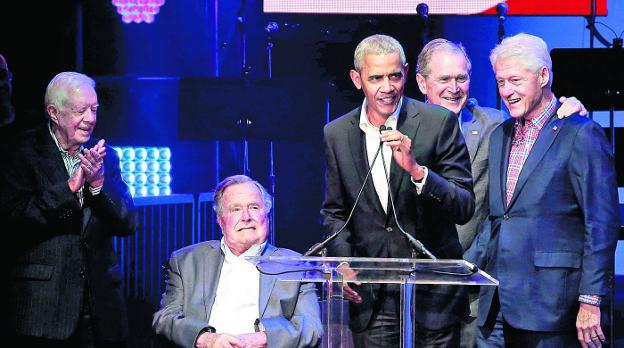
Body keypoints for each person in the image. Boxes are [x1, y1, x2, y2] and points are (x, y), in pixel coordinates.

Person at [414, 38, 588, 348]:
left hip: (476, 287)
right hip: (421, 284)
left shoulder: (496, 124)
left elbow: (542, 120)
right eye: (444, 79)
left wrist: (569, 106)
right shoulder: (402, 133)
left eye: (461, 77)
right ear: (422, 83)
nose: (454, 87)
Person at [321, 34, 475, 347]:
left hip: (433, 297)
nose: (387, 87)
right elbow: (336, 212)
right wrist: (344, 264)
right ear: (357, 79)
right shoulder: (337, 133)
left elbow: (464, 206)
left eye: (394, 75)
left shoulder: (438, 123)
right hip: (373, 295)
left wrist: (418, 172)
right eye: (375, 77)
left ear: (405, 72)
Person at [475, 33, 619, 347]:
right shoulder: (500, 135)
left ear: (543, 76)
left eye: (515, 80)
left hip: (552, 306)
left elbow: (602, 223)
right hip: (498, 304)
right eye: (501, 82)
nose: (507, 92)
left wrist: (590, 299)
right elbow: (499, 218)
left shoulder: (581, 134)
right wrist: (463, 271)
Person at [0, 71, 138, 347]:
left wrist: (98, 186)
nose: (90, 119)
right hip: (42, 313)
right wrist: (70, 188)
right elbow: (14, 221)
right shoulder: (19, 151)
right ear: (54, 112)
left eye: (94, 109)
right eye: (80, 111)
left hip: (100, 311)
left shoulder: (105, 156)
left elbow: (127, 223)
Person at [153, 175, 323, 348]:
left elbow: (311, 328)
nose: (246, 217)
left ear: (267, 213)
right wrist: (206, 339)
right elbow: (165, 318)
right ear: (220, 220)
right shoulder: (186, 261)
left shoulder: (294, 265)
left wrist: (263, 338)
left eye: (254, 207)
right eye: (236, 209)